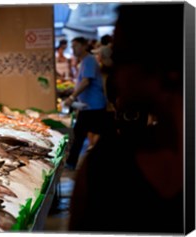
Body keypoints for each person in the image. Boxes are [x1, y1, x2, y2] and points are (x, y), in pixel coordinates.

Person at [68, 3, 184, 234]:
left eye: (122, 58)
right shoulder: (104, 162)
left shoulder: (105, 167)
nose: (115, 75)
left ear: (165, 63)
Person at [63, 37, 107, 170]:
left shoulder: (89, 60)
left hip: (93, 106)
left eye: (75, 46)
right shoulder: (84, 61)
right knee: (86, 133)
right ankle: (74, 163)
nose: (73, 49)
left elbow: (86, 81)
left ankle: (71, 163)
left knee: (80, 133)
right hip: (88, 106)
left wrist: (72, 96)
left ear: (83, 46)